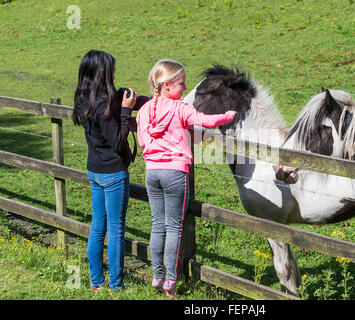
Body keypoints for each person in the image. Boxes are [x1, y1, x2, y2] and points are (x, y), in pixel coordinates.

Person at [136, 59, 236, 298]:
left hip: (152, 172)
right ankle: (171, 279)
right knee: (174, 227)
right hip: (174, 173)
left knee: (157, 225)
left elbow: (142, 141)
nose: (184, 87)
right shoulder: (180, 109)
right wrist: (228, 116)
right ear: (167, 85)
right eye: (181, 83)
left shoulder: (144, 111)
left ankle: (157, 275)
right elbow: (206, 121)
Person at [72, 50, 138, 292]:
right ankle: (117, 286)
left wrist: (118, 98)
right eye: (112, 70)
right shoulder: (103, 107)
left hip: (95, 170)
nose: (114, 74)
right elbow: (119, 141)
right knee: (116, 230)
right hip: (113, 174)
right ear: (102, 73)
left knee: (98, 226)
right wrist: (126, 111)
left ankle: (96, 282)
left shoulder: (83, 100)